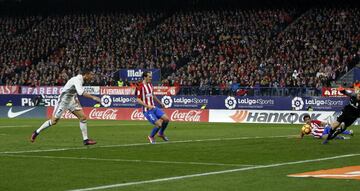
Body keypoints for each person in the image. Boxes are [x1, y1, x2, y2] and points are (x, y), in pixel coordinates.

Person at [30, 69, 101, 145]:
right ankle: (36, 132)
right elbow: (81, 92)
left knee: (83, 117)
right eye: (91, 75)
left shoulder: (81, 80)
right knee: (54, 121)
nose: (92, 77)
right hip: (63, 101)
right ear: (86, 74)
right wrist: (94, 97)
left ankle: (86, 140)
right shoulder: (77, 80)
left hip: (71, 100)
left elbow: (75, 91)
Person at [136, 71, 170, 144]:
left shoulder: (150, 85)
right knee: (159, 124)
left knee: (166, 119)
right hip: (147, 110)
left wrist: (160, 103)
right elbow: (138, 100)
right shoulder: (140, 86)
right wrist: (147, 106)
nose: (151, 78)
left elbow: (153, 95)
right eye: (149, 77)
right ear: (145, 77)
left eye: (151, 77)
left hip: (154, 108)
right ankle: (151, 136)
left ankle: (161, 133)